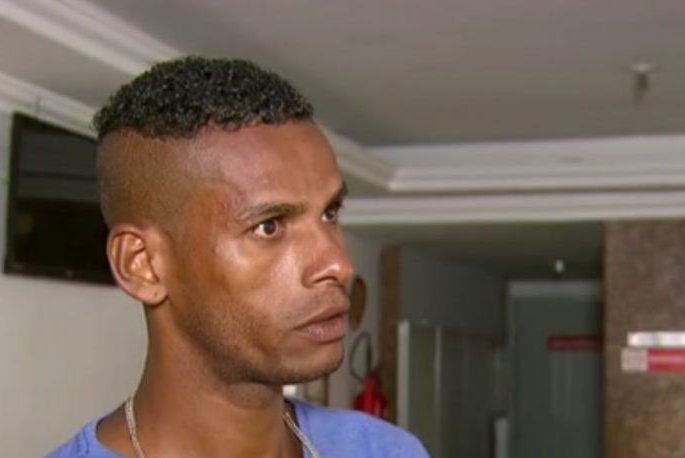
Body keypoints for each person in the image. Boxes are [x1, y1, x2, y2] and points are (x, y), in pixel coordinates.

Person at [48, 56, 428, 458]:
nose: (338, 264)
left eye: (330, 213)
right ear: (143, 265)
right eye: (269, 226)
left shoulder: (386, 450)